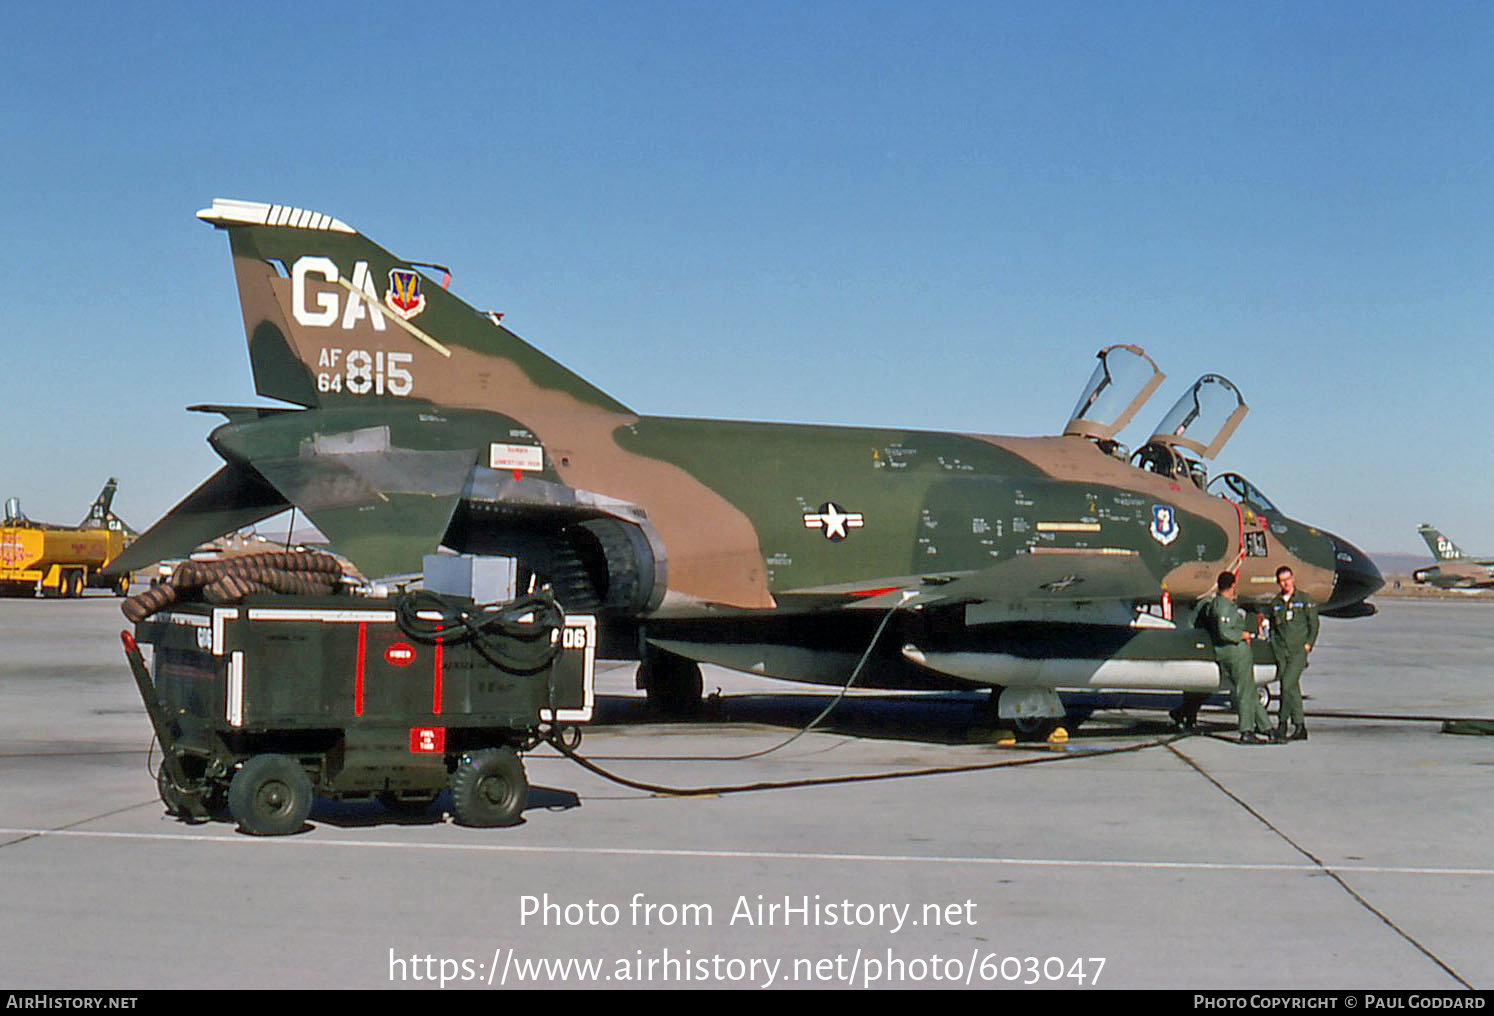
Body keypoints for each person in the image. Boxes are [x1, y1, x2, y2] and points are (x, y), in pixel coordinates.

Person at [1200, 571, 1276, 744]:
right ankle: (1246, 730)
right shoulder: (1224, 606)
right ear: (1233, 585)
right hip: (1235, 652)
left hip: (1228, 651)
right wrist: (1243, 635)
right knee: (1244, 692)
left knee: (1248, 690)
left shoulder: (1215, 604)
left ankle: (1267, 728)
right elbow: (1225, 631)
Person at [1266, 565, 1319, 741]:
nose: (1285, 583)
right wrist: (1274, 645)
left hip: (1298, 650)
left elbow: (1314, 624)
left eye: (1288, 579)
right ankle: (1300, 726)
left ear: (1293, 578)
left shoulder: (1304, 600)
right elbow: (1273, 627)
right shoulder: (1276, 604)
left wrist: (1308, 644)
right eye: (1282, 581)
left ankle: (1282, 723)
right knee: (1293, 687)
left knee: (1286, 685)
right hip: (1282, 650)